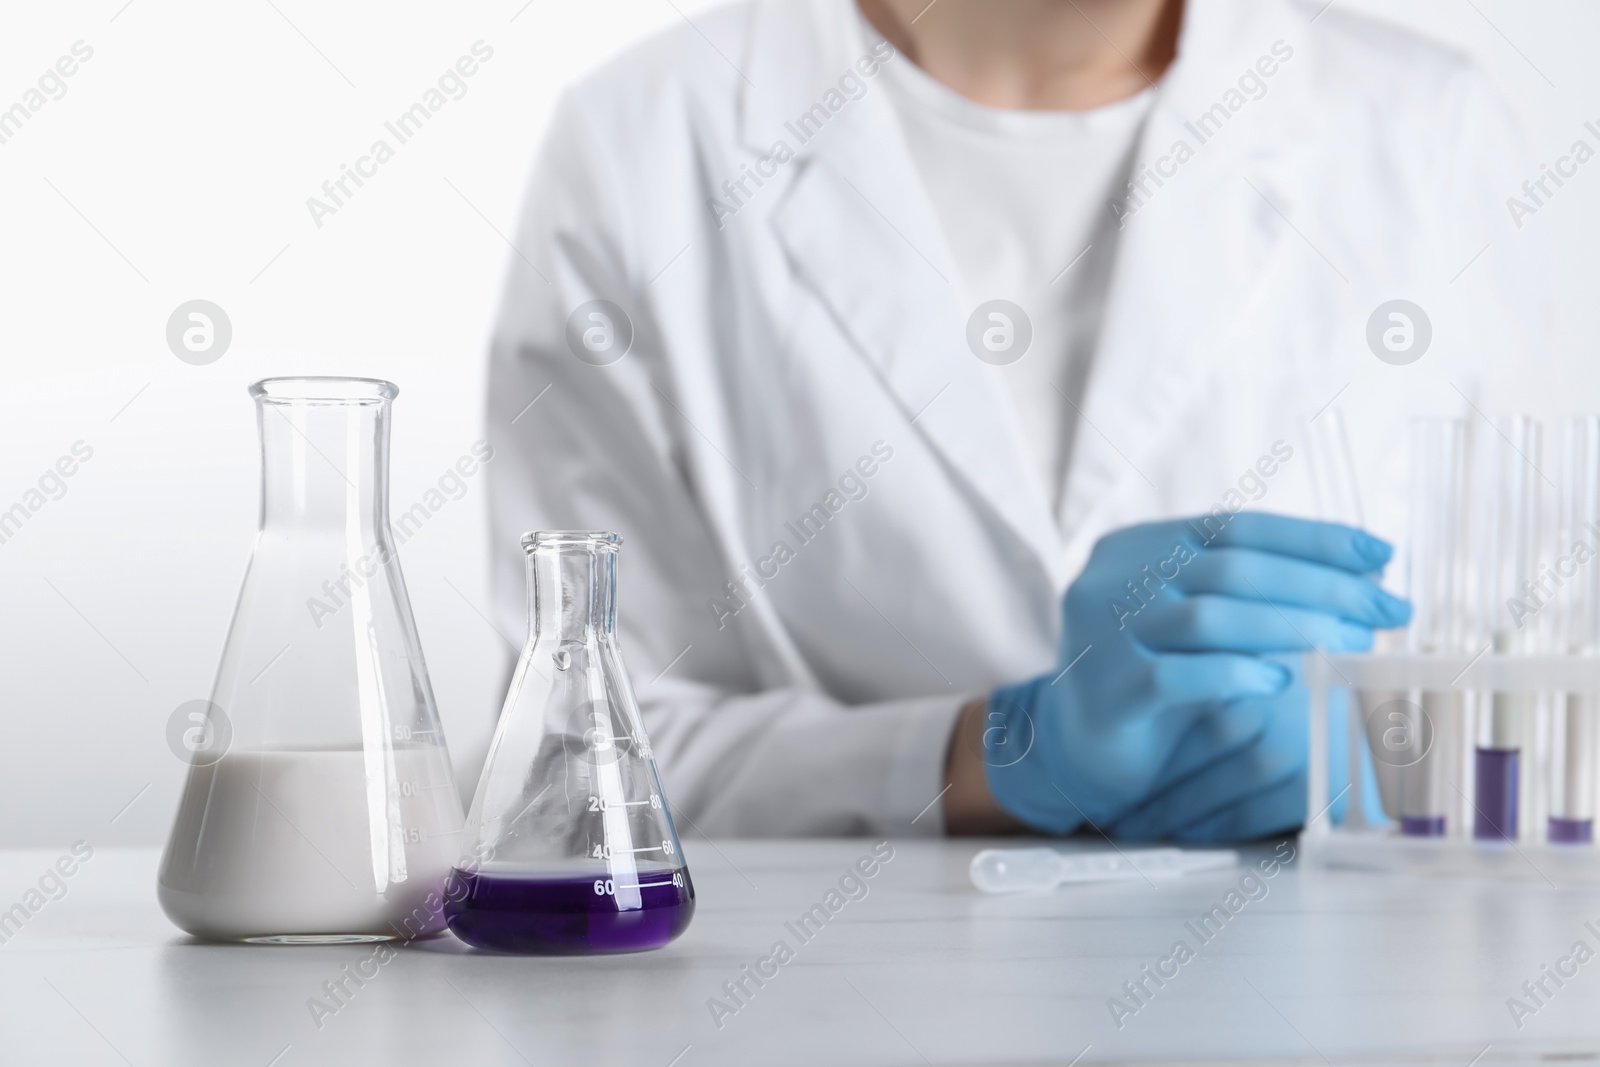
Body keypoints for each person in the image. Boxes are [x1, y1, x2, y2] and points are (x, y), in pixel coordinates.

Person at [485, 0, 1530, 839]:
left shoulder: (1421, 125)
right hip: (826, 1009)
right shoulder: (647, 139)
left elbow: (1538, 674)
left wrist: (1384, 754)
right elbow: (568, 761)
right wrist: (991, 750)